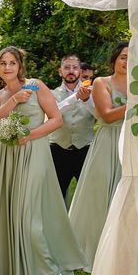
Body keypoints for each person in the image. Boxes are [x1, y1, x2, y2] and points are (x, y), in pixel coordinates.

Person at [0, 46, 86, 275]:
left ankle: (49, 273)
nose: (7, 67)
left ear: (20, 65)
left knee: (29, 214)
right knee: (12, 211)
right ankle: (16, 268)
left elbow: (56, 119)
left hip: (35, 153)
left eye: (12, 63)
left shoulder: (36, 86)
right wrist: (13, 100)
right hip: (8, 157)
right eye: (2, 63)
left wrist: (30, 135)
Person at [69, 42, 129, 272]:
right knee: (101, 191)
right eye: (123, 56)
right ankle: (92, 248)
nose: (127, 61)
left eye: (132, 57)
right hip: (109, 141)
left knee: (126, 194)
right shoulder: (102, 82)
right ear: (114, 59)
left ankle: (121, 250)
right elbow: (107, 115)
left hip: (132, 144)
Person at [49, 54, 96, 198]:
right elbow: (54, 112)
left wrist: (87, 99)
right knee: (56, 195)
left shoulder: (93, 92)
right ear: (60, 71)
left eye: (75, 67)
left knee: (89, 195)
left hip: (85, 149)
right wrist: (75, 98)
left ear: (80, 72)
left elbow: (100, 115)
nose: (71, 70)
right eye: (67, 67)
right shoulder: (51, 94)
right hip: (58, 149)